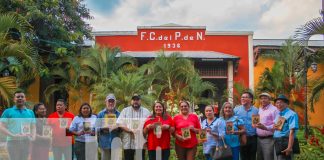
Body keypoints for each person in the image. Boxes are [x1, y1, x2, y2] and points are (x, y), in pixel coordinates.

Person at [0, 90, 36, 160]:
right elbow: (1, 126)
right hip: (13, 142)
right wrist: (12, 135)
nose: (20, 98)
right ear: (14, 99)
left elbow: (33, 127)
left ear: (25, 99)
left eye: (22, 97)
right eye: (18, 97)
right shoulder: (8, 111)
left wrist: (33, 137)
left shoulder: (30, 112)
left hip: (26, 141)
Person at [117, 94, 150, 160]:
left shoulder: (146, 111)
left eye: (137, 100)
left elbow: (149, 124)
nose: (135, 101)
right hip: (128, 143)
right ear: (131, 101)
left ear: (140, 101)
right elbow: (119, 123)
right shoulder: (125, 111)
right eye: (134, 100)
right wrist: (130, 130)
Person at [234, 91, 258, 160]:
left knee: (252, 157)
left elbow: (257, 124)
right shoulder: (236, 110)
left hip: (253, 137)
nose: (243, 98)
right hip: (241, 137)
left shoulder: (256, 110)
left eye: (245, 97)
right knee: (243, 157)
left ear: (251, 99)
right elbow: (232, 122)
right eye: (242, 97)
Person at [273, 94, 299, 160]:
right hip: (278, 142)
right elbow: (278, 128)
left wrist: (289, 147)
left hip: (285, 142)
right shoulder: (279, 114)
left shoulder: (292, 114)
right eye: (277, 103)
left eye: (281, 102)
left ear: (287, 104)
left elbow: (292, 131)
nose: (278, 104)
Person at [96, 93, 121, 160]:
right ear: (106, 102)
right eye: (109, 101)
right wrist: (102, 128)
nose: (111, 103)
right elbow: (96, 128)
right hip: (104, 143)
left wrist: (118, 128)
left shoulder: (119, 114)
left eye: (112, 101)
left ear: (115, 102)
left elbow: (122, 127)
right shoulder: (101, 114)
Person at [255, 93, 279, 160]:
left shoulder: (274, 110)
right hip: (258, 139)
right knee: (259, 158)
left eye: (265, 98)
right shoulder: (259, 109)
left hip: (268, 139)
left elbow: (276, 125)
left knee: (268, 158)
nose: (263, 100)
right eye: (261, 98)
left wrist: (265, 127)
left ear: (269, 100)